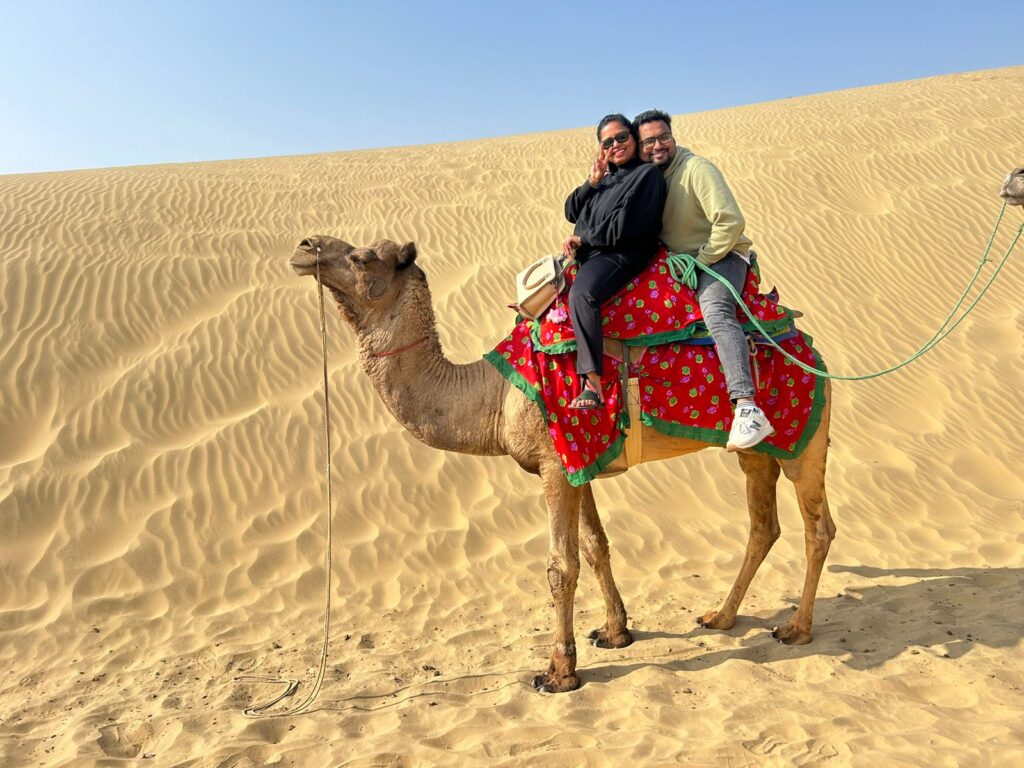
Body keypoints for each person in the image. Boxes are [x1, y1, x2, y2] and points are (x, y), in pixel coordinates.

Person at [633, 109, 774, 450]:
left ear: (673, 137)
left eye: (663, 137)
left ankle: (746, 406)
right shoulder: (650, 177)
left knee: (715, 310)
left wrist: (700, 262)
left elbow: (729, 222)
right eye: (648, 141)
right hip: (679, 262)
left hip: (721, 255)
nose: (657, 146)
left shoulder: (697, 169)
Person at [563, 114, 666, 409]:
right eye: (608, 142)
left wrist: (583, 240)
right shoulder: (606, 179)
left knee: (582, 294)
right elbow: (571, 211)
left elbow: (623, 228)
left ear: (633, 138)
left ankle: (592, 382)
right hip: (592, 253)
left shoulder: (647, 176)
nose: (616, 145)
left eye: (622, 137)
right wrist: (591, 183)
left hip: (621, 254)